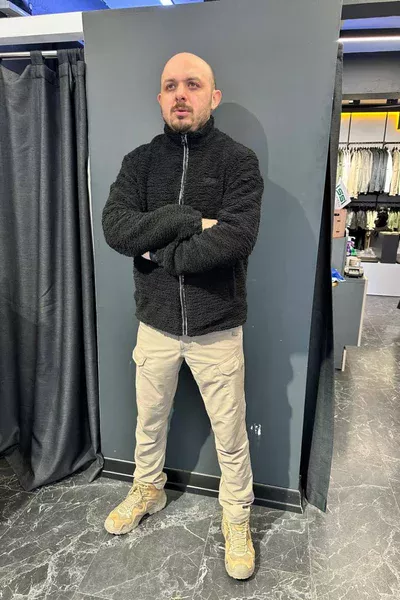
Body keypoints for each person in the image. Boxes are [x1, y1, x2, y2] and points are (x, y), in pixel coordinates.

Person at [102, 52, 264, 580]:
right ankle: (148, 489)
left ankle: (236, 517)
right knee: (148, 423)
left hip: (217, 327)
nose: (180, 94)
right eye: (170, 85)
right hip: (154, 324)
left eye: (192, 85)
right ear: (160, 98)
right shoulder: (139, 162)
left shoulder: (238, 162)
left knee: (231, 435)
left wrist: (159, 251)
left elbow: (235, 238)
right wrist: (189, 218)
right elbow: (117, 228)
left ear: (212, 97)